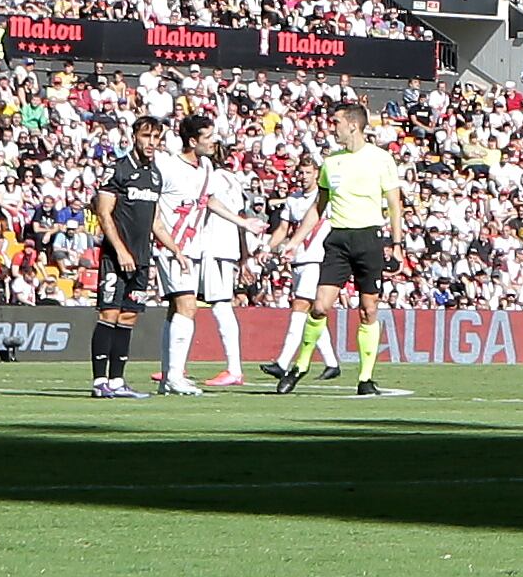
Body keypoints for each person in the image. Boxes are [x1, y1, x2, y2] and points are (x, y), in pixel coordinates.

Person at [307, 103, 408, 398]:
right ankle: (299, 366)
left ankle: (365, 378)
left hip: (369, 239)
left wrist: (398, 245)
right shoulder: (331, 161)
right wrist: (296, 238)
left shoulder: (381, 159)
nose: (332, 126)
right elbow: (319, 206)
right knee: (320, 305)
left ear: (353, 124)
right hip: (338, 238)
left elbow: (394, 205)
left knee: (369, 309)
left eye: (336, 121)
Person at [155, 112, 247, 394]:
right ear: (192, 141)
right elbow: (154, 207)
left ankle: (169, 377)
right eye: (207, 137)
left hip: (193, 249)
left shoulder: (206, 166)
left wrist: (244, 222)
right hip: (171, 248)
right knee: (188, 307)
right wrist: (169, 244)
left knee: (176, 310)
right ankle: (174, 377)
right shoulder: (167, 166)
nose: (213, 141)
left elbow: (210, 201)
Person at [86, 116, 165, 400]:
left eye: (156, 138)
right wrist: (120, 250)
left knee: (129, 316)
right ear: (134, 136)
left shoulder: (155, 175)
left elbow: (155, 222)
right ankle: (99, 381)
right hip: (115, 256)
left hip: (141, 259)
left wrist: (175, 250)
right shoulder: (117, 169)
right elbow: (104, 213)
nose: (151, 143)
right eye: (146, 136)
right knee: (109, 313)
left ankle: (117, 381)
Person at [263, 170, 342, 391]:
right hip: (297, 260)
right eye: (301, 173)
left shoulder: (326, 200)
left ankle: (282, 362)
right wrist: (267, 247)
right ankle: (332, 363)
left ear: (317, 175)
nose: (304, 177)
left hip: (317, 260)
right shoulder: (293, 200)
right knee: (314, 312)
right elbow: (283, 229)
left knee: (300, 307)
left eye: (308, 173)